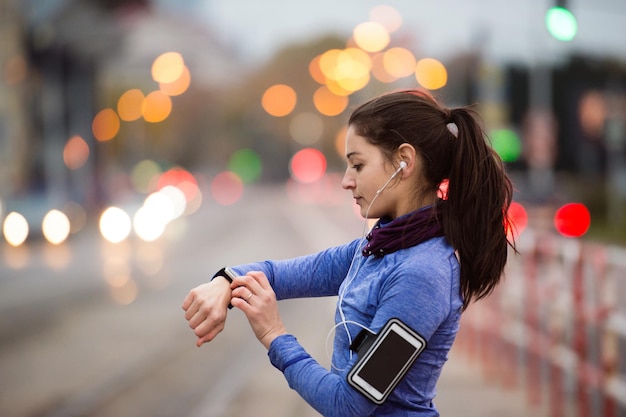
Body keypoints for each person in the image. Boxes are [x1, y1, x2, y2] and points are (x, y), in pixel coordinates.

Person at [182, 89, 515, 416]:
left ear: (404, 161)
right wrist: (224, 281)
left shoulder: (422, 275)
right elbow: (276, 274)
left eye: (357, 165)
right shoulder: (372, 251)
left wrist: (274, 335)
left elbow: (350, 405)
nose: (346, 181)